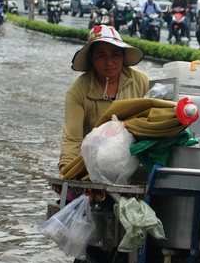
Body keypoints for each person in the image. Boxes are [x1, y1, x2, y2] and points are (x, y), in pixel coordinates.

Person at [59, 25, 149, 174]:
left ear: (123, 55)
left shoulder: (141, 81)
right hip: (93, 165)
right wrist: (65, 170)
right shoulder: (77, 92)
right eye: (101, 55)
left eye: (115, 54)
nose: (109, 62)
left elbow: (153, 124)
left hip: (134, 161)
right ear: (92, 59)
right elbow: (72, 139)